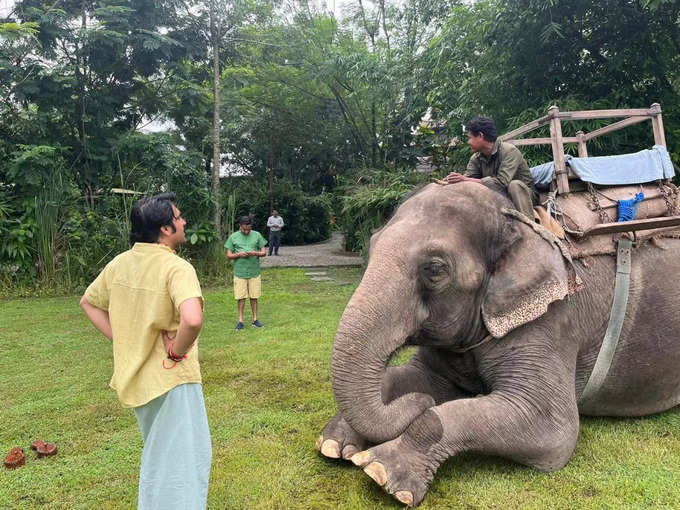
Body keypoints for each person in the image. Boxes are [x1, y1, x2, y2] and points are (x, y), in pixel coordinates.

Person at [79, 192, 211, 510]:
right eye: (178, 218)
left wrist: (126, 340)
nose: (183, 222)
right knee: (183, 461)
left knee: (159, 454)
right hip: (172, 380)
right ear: (165, 229)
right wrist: (177, 353)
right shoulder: (176, 268)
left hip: (137, 379)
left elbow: (88, 302)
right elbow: (192, 320)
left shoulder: (119, 264)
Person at [443, 116, 537, 219]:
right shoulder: (476, 158)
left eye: (469, 137)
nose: (468, 142)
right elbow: (468, 179)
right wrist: (454, 180)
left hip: (524, 195)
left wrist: (465, 179)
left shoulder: (510, 151)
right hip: (497, 196)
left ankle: (529, 225)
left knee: (514, 185)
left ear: (480, 135)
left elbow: (501, 183)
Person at [225, 216, 267, 330]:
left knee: (254, 296)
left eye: (248, 229)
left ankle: (255, 320)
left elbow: (264, 252)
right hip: (240, 272)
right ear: (240, 226)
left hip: (254, 272)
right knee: (241, 297)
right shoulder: (233, 237)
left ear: (251, 226)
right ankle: (240, 321)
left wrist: (255, 253)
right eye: (244, 229)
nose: (246, 231)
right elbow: (228, 255)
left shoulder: (257, 235)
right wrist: (238, 255)